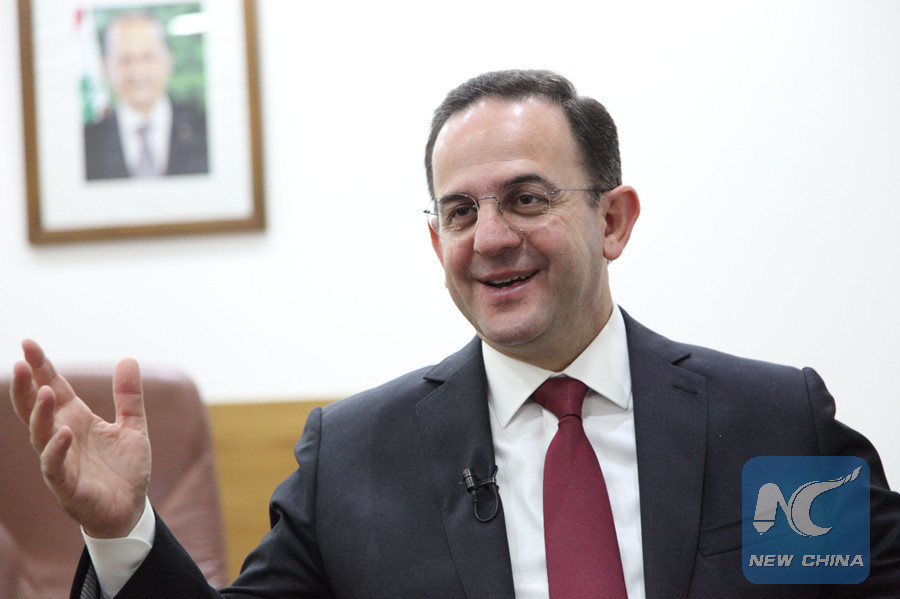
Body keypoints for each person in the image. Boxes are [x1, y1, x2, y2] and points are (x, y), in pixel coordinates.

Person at [11, 70, 900, 598]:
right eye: (461, 212)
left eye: (526, 198)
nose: (491, 237)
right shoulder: (352, 460)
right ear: (437, 243)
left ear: (614, 220)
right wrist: (124, 529)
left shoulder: (771, 424)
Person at [83, 12, 208, 181]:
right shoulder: (86, 143)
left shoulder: (205, 132)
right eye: (125, 60)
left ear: (169, 60)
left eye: (148, 58)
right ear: (106, 67)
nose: (137, 71)